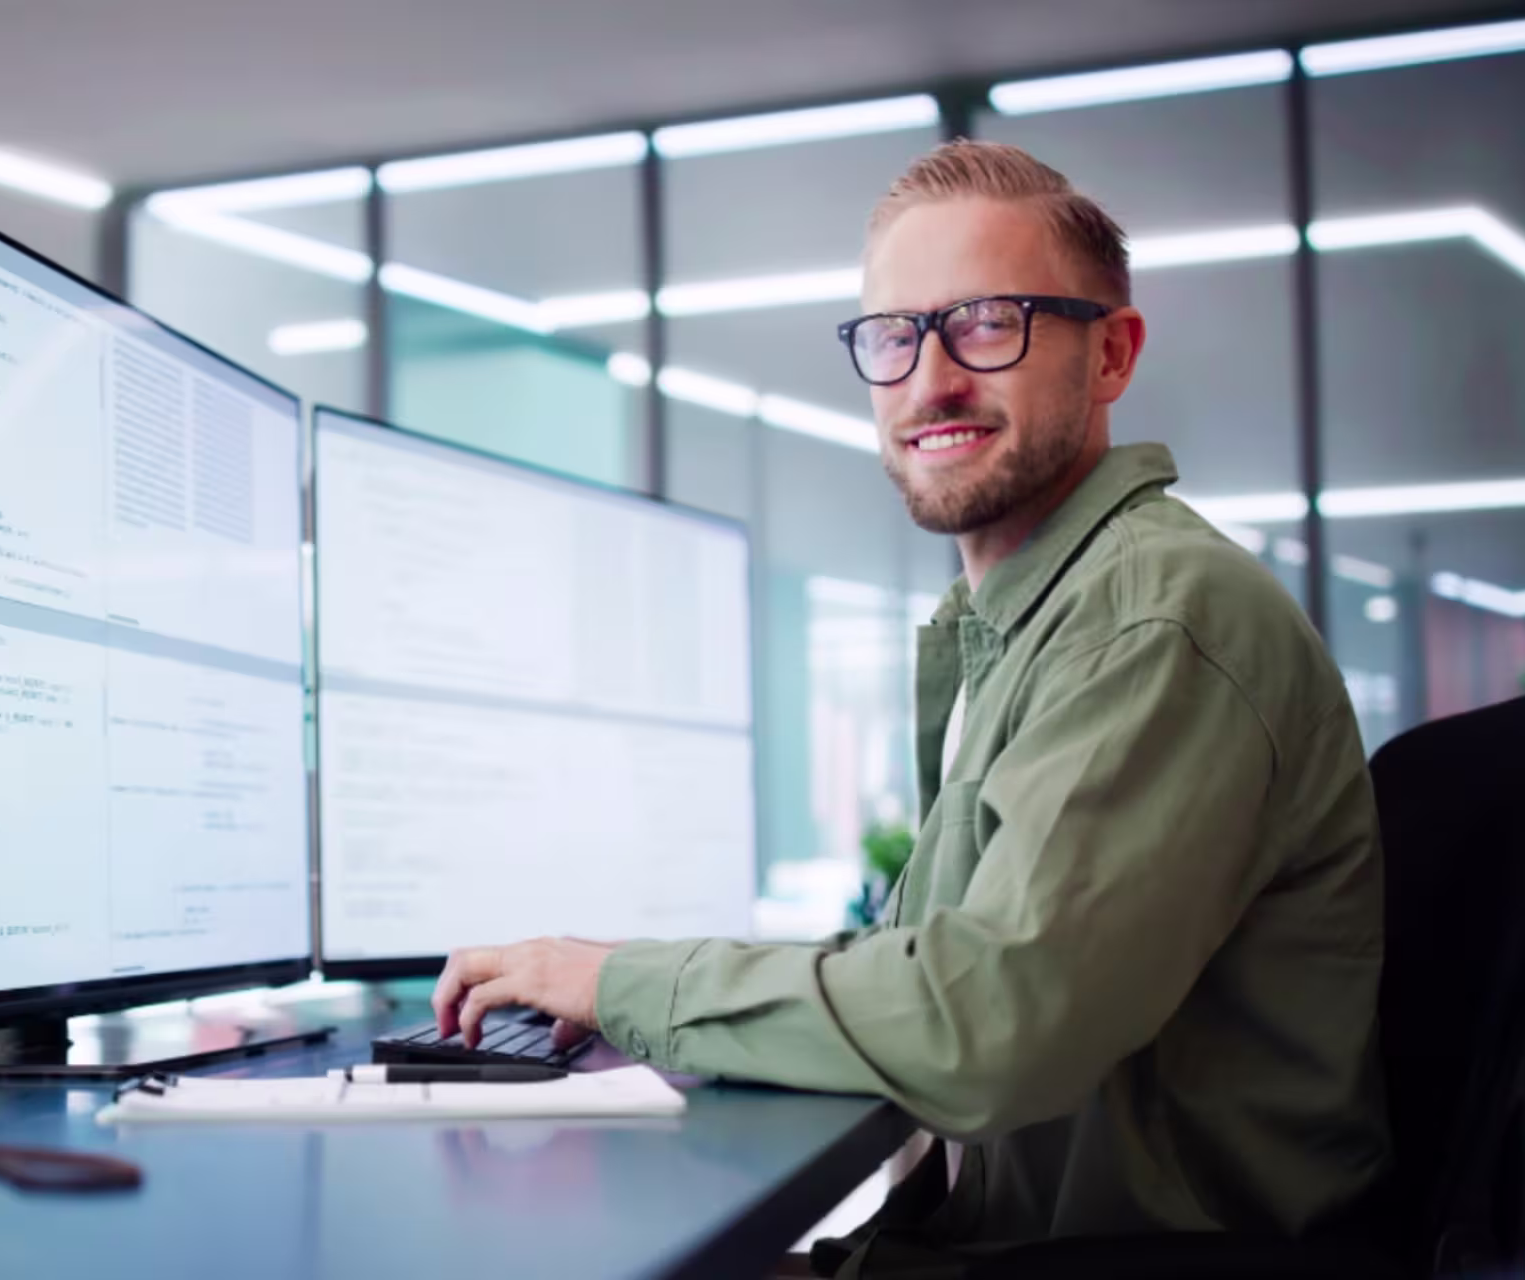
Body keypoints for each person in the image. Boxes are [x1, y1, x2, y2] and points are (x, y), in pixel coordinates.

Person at [431, 139, 1391, 1272]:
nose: (931, 379)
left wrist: (622, 983)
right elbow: (931, 964)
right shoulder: (1026, 627)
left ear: (1113, 352)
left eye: (989, 322)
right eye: (896, 335)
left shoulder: (1152, 622)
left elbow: (987, 1022)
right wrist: (627, 977)